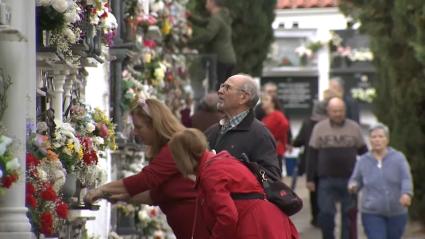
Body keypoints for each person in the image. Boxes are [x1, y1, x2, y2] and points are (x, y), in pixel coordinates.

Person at [84, 98, 208, 239]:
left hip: (197, 226)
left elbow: (146, 180)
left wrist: (102, 190)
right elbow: (155, 194)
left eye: (139, 127)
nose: (136, 133)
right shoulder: (166, 149)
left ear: (154, 125)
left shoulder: (174, 148)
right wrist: (122, 197)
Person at [168, 128, 300, 239]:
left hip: (254, 228)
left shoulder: (211, 174)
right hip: (268, 223)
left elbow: (227, 216)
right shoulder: (221, 161)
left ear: (183, 156)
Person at [306, 97, 368, 239]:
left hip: (350, 180)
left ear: (345, 111)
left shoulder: (354, 128)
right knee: (326, 214)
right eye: (334, 111)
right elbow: (312, 155)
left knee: (349, 216)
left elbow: (364, 153)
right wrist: (310, 179)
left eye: (340, 111)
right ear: (328, 111)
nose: (338, 114)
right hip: (326, 180)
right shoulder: (319, 128)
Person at [204, 74, 281, 181]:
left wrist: (237, 171)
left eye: (227, 87)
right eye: (222, 86)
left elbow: (270, 179)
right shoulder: (211, 132)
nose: (220, 91)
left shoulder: (260, 135)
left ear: (243, 97)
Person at [348, 123, 413, 239]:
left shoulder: (398, 158)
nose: (377, 140)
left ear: (387, 140)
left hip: (397, 212)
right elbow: (355, 179)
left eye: (381, 137)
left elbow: (406, 178)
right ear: (369, 140)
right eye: (374, 137)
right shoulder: (363, 161)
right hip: (371, 212)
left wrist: (406, 194)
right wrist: (353, 185)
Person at [292, 100, 327, 227]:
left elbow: (298, 142)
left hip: (310, 162)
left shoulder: (307, 123)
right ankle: (325, 216)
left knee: (313, 191)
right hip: (326, 162)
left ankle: (316, 218)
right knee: (325, 191)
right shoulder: (329, 124)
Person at [188, 0, 236, 90]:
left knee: (217, 89)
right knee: (224, 89)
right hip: (229, 58)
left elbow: (208, 36)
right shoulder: (222, 16)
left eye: (207, 2)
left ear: (212, 3)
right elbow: (204, 22)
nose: (206, 4)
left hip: (220, 58)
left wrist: (189, 42)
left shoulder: (216, 18)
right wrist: (190, 17)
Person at [260, 93, 290, 174]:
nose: (263, 102)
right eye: (263, 99)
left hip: (276, 152)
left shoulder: (277, 114)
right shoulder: (265, 118)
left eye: (266, 99)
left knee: (275, 177)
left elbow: (285, 125)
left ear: (273, 103)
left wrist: (274, 138)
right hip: (267, 152)